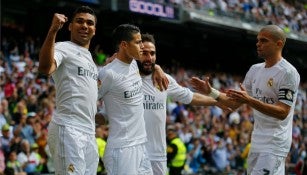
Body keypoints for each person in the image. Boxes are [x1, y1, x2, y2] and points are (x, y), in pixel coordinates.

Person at [190, 24, 300, 175]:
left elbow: (282, 112)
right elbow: (233, 103)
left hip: (275, 143)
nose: (258, 44)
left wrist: (250, 100)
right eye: (257, 40)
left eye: (264, 40)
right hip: (256, 141)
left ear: (279, 44)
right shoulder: (254, 70)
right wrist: (211, 91)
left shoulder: (288, 73)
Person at [138, 33, 220, 175]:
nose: (149, 58)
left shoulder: (164, 80)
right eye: (144, 53)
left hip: (158, 155)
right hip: (134, 153)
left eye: (152, 54)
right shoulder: (126, 78)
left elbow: (191, 97)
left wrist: (217, 102)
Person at [97, 24, 168, 175]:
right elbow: (88, 100)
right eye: (138, 42)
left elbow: (149, 65)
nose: (142, 46)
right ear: (124, 45)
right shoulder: (108, 73)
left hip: (141, 146)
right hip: (121, 150)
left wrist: (158, 68)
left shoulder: (134, 64)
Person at [38, 6, 99, 174]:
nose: (85, 26)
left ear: (94, 30)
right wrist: (53, 31)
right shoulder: (63, 47)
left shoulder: (91, 60)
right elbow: (45, 68)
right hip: (69, 128)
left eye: (89, 23)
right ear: (70, 26)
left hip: (89, 132)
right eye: (79, 21)